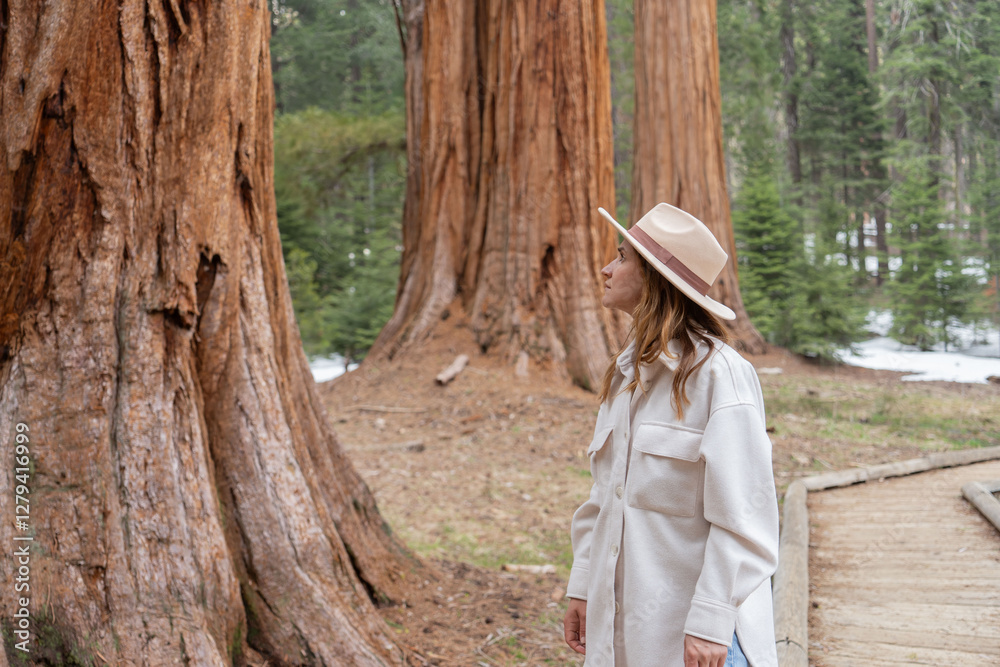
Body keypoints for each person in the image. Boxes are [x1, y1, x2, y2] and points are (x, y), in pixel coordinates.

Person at [563, 203, 779, 667]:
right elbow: (605, 498)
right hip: (628, 636)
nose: (606, 269)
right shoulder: (627, 374)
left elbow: (747, 519)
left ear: (655, 279)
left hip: (701, 645)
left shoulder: (722, 379)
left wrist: (711, 620)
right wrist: (584, 585)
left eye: (622, 258)